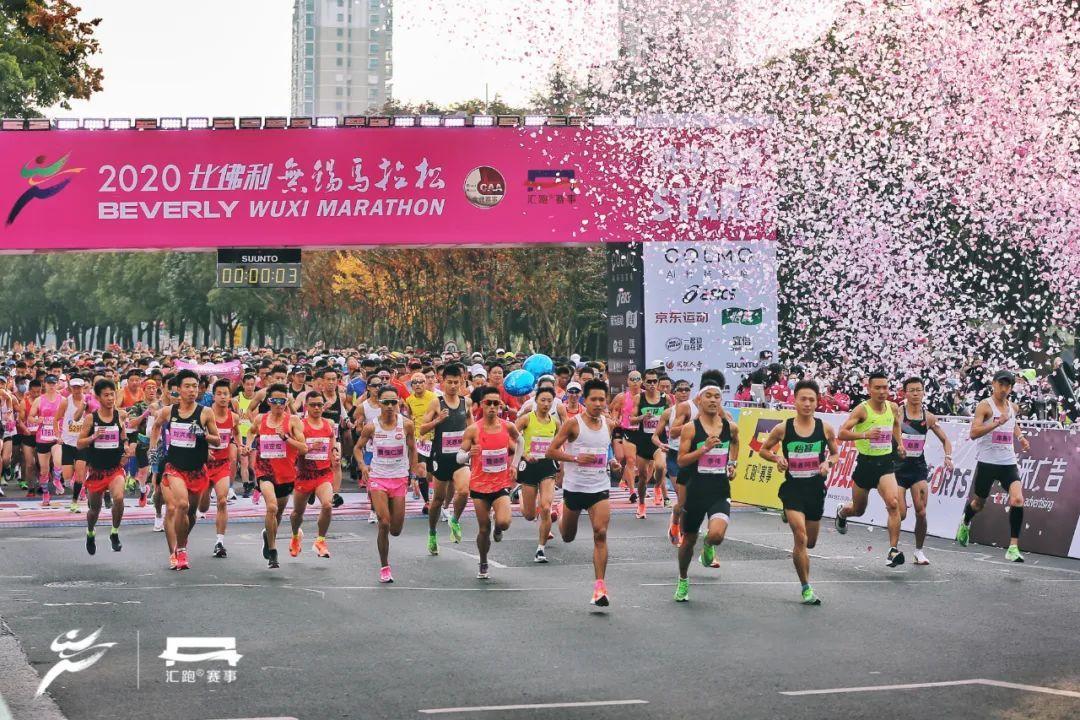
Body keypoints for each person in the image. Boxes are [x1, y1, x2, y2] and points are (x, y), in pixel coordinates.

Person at [758, 380, 839, 605]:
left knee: (810, 542)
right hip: (792, 489)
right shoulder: (783, 428)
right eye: (803, 399)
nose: (807, 403)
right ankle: (806, 587)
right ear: (794, 401)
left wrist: (828, 464)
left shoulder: (825, 428)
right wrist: (777, 458)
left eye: (811, 400)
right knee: (800, 537)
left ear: (817, 402)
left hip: (815, 490)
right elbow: (763, 450)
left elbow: (835, 454)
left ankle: (789, 515)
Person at [546, 379, 620, 607]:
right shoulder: (573, 424)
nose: (598, 403)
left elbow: (605, 449)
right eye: (593, 399)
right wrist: (575, 458)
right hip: (575, 488)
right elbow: (551, 451)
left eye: (601, 399)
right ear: (584, 401)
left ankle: (600, 587)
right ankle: (561, 510)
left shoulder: (609, 424)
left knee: (600, 533)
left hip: (599, 487)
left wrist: (612, 461)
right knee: (568, 537)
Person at [672, 380, 739, 602]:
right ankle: (683, 579)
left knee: (717, 535)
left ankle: (709, 545)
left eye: (716, 397)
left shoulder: (730, 427)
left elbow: (736, 442)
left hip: (719, 489)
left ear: (721, 401)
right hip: (695, 491)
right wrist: (704, 449)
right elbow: (681, 460)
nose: (712, 400)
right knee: (688, 540)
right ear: (699, 400)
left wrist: (733, 464)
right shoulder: (691, 428)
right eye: (708, 396)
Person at [149, 369, 220, 571]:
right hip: (174, 467)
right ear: (178, 389)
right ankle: (178, 551)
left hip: (196, 470)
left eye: (195, 387)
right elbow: (155, 427)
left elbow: (217, 440)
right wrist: (153, 450)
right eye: (187, 386)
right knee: (180, 504)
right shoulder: (168, 411)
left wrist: (203, 434)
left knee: (191, 513)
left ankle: (181, 544)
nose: (191, 390)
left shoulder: (205, 412)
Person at [956, 371, 1030, 561]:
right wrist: (996, 423)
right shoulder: (984, 406)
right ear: (993, 384)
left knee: (1018, 500)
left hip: (1008, 462)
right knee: (978, 503)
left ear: (1011, 388)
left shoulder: (1013, 407)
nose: (1004, 389)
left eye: (1008, 386)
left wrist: (1021, 437)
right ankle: (966, 521)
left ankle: (1013, 547)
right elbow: (973, 433)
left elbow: (1012, 423)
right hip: (987, 463)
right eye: (1001, 384)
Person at [834, 371, 906, 568]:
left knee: (893, 504)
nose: (882, 391)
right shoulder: (862, 410)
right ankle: (842, 513)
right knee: (858, 510)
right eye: (878, 388)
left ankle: (893, 551)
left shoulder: (893, 407)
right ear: (869, 389)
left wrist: (900, 444)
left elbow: (896, 425)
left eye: (885, 387)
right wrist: (865, 435)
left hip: (885, 463)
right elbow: (842, 433)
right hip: (866, 464)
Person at [355, 386, 419, 582]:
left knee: (395, 530)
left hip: (399, 478)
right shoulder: (371, 427)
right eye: (386, 402)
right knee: (384, 522)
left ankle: (389, 522)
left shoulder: (406, 425)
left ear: (398, 402)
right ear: (380, 403)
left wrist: (414, 475)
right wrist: (363, 466)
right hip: (378, 478)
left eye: (393, 402)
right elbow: (357, 448)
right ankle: (385, 567)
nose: (390, 406)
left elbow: (413, 449)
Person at [458, 386, 522, 580]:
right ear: (481, 405)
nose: (492, 407)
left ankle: (498, 528)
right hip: (479, 486)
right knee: (483, 528)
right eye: (488, 403)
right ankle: (483, 560)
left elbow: (521, 442)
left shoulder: (507, 426)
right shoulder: (473, 430)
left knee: (504, 522)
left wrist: (515, 464)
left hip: (501, 484)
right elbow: (459, 457)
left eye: (496, 403)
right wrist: (469, 455)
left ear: (500, 405)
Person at [895, 377, 953, 565]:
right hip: (897, 469)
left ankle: (919, 551)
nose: (915, 394)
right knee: (901, 513)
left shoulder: (928, 417)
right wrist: (897, 445)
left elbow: (946, 440)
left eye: (918, 390)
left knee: (921, 512)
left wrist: (948, 457)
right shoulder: (898, 413)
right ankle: (893, 549)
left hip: (917, 468)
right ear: (905, 393)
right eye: (911, 390)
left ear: (923, 392)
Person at [251, 383, 307, 569]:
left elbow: (303, 448)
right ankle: (273, 551)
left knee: (278, 513)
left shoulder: (293, 421)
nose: (278, 404)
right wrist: (247, 447)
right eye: (274, 400)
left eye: (282, 401)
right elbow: (251, 433)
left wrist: (286, 438)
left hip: (286, 474)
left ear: (286, 402)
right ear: (268, 401)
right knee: (272, 507)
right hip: (265, 470)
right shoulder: (260, 419)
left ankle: (268, 535)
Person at [76, 379, 135, 554]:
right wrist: (93, 437)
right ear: (98, 398)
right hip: (96, 471)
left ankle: (114, 533)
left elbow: (123, 436)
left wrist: (126, 446)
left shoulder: (120, 415)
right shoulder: (91, 418)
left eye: (112, 394)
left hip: (114, 469)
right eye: (106, 395)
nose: (110, 398)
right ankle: (90, 532)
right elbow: (79, 443)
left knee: (118, 498)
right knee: (94, 510)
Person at [421, 362, 472, 555]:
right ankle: (432, 533)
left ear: (461, 382)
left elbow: (472, 427)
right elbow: (422, 429)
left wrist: (476, 445)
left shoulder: (466, 402)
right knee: (438, 499)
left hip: (459, 456)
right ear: (442, 382)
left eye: (456, 382)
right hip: (441, 458)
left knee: (464, 491)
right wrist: (437, 420)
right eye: (449, 382)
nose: (453, 386)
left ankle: (455, 520)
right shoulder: (436, 403)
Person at [290, 390, 338, 559]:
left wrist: (335, 452)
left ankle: (320, 541)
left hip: (323, 474)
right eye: (313, 405)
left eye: (319, 405)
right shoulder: (300, 425)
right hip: (304, 475)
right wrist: (310, 447)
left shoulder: (328, 424)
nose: (317, 408)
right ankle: (295, 537)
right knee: (297, 513)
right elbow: (294, 451)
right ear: (306, 406)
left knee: (327, 505)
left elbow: (332, 442)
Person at [514, 386, 559, 563]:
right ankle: (520, 494)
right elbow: (511, 437)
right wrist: (524, 454)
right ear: (536, 401)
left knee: (546, 507)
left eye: (549, 401)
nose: (546, 404)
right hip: (529, 466)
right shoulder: (527, 418)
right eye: (543, 400)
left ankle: (540, 549)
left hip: (547, 467)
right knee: (530, 515)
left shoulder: (555, 423)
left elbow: (560, 443)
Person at [201, 379, 237, 559]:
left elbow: (235, 433)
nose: (223, 397)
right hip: (204, 464)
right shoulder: (205, 414)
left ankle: (220, 542)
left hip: (222, 464)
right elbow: (197, 436)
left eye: (226, 394)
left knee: (222, 501)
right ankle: (205, 495)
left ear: (230, 396)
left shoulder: (233, 417)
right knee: (202, 506)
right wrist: (204, 450)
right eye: (219, 394)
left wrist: (238, 446)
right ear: (213, 396)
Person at [628, 367, 669, 517]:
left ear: (658, 383)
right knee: (643, 477)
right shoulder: (639, 398)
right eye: (649, 381)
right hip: (643, 441)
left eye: (654, 381)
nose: (652, 384)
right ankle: (641, 505)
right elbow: (631, 419)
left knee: (661, 466)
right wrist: (642, 417)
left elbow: (673, 416)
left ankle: (657, 487)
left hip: (659, 441)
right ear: (643, 383)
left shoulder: (665, 398)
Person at [56, 377, 91, 514]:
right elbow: (56, 419)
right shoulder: (66, 401)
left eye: (79, 387)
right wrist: (58, 435)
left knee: (80, 474)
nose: (77, 390)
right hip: (67, 442)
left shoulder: (88, 401)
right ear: (70, 388)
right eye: (74, 387)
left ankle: (74, 501)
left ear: (83, 387)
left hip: (82, 443)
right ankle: (76, 486)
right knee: (67, 478)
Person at [28, 373, 63, 506]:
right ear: (45, 385)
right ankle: (46, 494)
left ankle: (57, 480)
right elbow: (30, 417)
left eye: (54, 383)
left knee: (58, 461)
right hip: (42, 438)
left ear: (57, 384)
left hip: (56, 437)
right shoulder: (39, 400)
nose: (52, 386)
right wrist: (37, 420)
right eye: (49, 383)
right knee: (44, 470)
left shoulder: (62, 400)